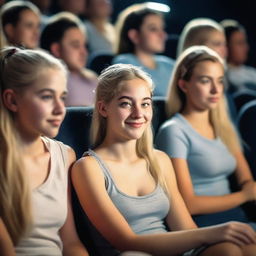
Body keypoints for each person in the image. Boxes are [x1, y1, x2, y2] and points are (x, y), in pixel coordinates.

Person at [71, 63, 256, 256]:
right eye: (126, 103)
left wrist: (222, 237)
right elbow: (126, 242)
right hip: (132, 253)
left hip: (175, 252)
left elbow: (185, 228)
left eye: (145, 103)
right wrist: (212, 233)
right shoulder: (88, 168)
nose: (138, 114)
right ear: (103, 108)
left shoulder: (159, 160)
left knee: (232, 249)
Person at [155, 45, 256, 233]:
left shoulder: (223, 126)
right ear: (183, 85)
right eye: (205, 81)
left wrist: (247, 189)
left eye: (219, 81)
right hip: (202, 226)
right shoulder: (174, 131)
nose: (215, 89)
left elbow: (247, 180)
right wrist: (244, 195)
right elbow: (189, 203)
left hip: (240, 219)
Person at [0, 46, 89, 256]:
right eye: (47, 97)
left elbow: (70, 242)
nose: (60, 109)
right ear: (12, 100)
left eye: (63, 97)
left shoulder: (65, 155)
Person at [112, 4, 175, 97]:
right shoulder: (124, 64)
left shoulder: (170, 64)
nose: (163, 35)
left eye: (162, 29)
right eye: (153, 29)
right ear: (134, 36)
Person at [40, 11, 97, 107]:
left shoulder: (94, 79)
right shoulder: (46, 82)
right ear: (56, 49)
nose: (84, 52)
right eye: (76, 45)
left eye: (85, 46)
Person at [221, 19, 256, 92]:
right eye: (240, 43)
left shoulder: (252, 73)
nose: (246, 48)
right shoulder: (221, 76)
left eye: (245, 42)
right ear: (226, 46)